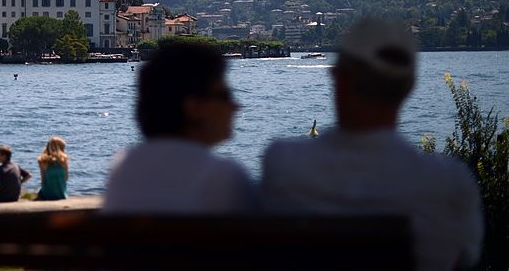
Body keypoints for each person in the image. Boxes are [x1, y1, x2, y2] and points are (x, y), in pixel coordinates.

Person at [260, 17, 483, 271]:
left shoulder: (282, 164)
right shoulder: (450, 185)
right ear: (409, 86)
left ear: (337, 77)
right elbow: (467, 258)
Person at [101, 42, 257, 213]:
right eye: (224, 95)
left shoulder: (123, 171)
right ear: (193, 107)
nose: (234, 106)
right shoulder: (227, 179)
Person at [35, 136, 69, 201]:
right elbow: (66, 178)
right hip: (62, 195)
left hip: (47, 195)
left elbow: (43, 180)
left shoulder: (42, 160)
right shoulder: (64, 160)